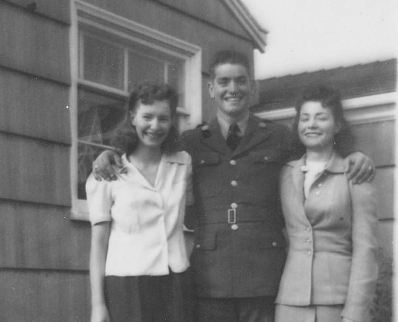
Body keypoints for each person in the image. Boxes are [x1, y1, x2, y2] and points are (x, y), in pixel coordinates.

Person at [92, 51, 375, 322]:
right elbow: (148, 149)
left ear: (252, 87)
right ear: (211, 89)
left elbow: (316, 155)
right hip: (210, 279)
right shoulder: (190, 143)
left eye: (241, 81)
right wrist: (110, 154)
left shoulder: (279, 138)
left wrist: (353, 155)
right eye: (224, 82)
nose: (233, 89)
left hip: (264, 277)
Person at [87, 81, 193, 322]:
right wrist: (98, 305)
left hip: (175, 281)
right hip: (127, 285)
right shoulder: (107, 173)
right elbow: (98, 245)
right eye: (147, 116)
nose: (155, 126)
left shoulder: (183, 163)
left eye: (163, 118)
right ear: (133, 117)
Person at [275, 84, 378, 322]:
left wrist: (355, 313)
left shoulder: (354, 174)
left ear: (338, 125)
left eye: (321, 118)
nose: (311, 125)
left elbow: (366, 250)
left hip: (337, 302)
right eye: (305, 118)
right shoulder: (285, 174)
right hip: (290, 302)